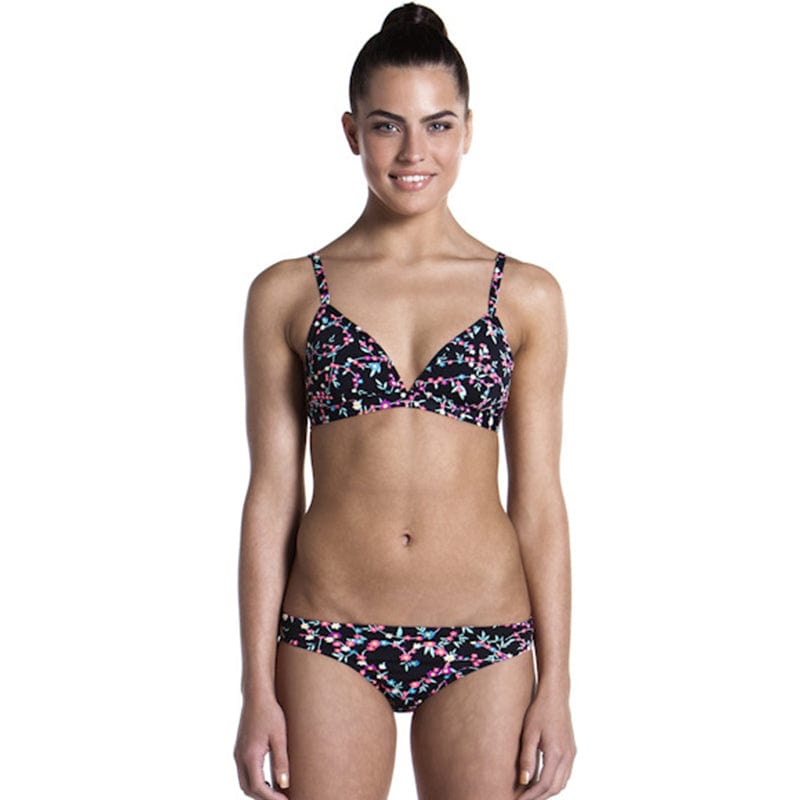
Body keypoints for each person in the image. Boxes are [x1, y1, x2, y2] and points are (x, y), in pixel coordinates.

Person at [233, 4, 576, 798]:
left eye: (438, 125)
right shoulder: (287, 292)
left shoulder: (525, 296)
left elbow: (539, 500)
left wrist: (556, 686)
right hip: (327, 633)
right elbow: (271, 495)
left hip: (484, 637)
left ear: (468, 130)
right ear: (352, 131)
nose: (415, 152)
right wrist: (254, 688)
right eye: (388, 126)